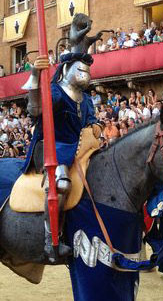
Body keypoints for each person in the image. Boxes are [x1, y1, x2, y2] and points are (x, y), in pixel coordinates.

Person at [22, 52, 101, 262]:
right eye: (81, 70)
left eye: (88, 71)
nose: (85, 75)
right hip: (52, 146)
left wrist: (96, 126)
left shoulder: (86, 99)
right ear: (67, 70)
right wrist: (36, 75)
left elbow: (92, 120)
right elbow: (35, 108)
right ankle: (51, 240)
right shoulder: (56, 91)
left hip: (79, 147)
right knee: (63, 184)